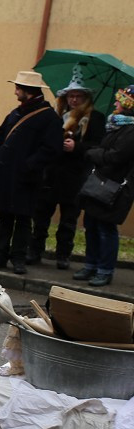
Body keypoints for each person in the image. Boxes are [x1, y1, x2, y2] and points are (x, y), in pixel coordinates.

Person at [0, 71, 63, 275]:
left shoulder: (48, 118)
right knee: (4, 218)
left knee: (23, 219)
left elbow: (51, 148)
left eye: (18, 87)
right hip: (6, 174)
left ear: (28, 91)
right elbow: (0, 135)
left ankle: (18, 258)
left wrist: (29, 165)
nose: (15, 91)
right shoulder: (15, 113)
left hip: (27, 178)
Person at [28, 69, 105, 269]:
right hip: (51, 175)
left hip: (76, 177)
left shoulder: (94, 118)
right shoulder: (57, 115)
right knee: (41, 216)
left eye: (79, 96)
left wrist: (76, 147)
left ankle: (63, 255)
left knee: (68, 221)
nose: (74, 100)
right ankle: (35, 251)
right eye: (71, 96)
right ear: (66, 97)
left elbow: (98, 147)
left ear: (85, 98)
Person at [73, 85, 134, 287]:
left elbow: (114, 156)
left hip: (115, 188)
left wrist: (92, 153)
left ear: (128, 105)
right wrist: (96, 152)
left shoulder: (130, 131)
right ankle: (90, 265)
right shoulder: (115, 126)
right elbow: (103, 150)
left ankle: (105, 270)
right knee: (91, 225)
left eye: (120, 100)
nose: (115, 103)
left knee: (106, 229)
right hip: (99, 183)